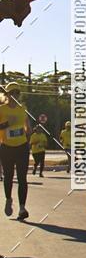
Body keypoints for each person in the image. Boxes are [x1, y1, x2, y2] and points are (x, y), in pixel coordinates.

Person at [0, 83, 31, 220]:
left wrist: (28, 134)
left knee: (22, 178)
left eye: (17, 93)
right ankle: (8, 199)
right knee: (8, 176)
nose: (15, 95)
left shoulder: (23, 108)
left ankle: (22, 208)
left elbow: (27, 127)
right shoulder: (1, 109)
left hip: (22, 147)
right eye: (12, 92)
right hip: (6, 147)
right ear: (7, 95)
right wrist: (7, 124)